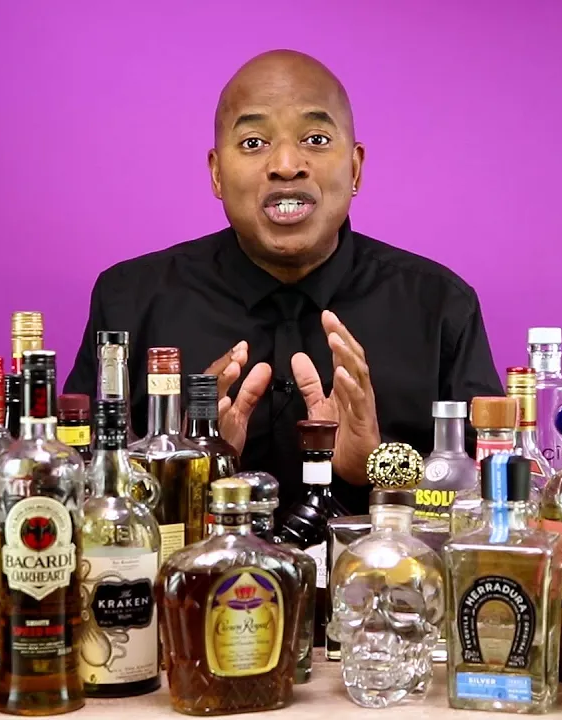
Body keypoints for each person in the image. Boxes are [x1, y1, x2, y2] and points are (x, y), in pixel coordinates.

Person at [64, 49, 502, 515]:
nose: (287, 164)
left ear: (355, 168)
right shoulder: (130, 301)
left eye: (316, 139)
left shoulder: (440, 307)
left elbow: (496, 507)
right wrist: (186, 473)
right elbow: (72, 493)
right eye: (254, 142)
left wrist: (377, 470)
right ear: (217, 173)